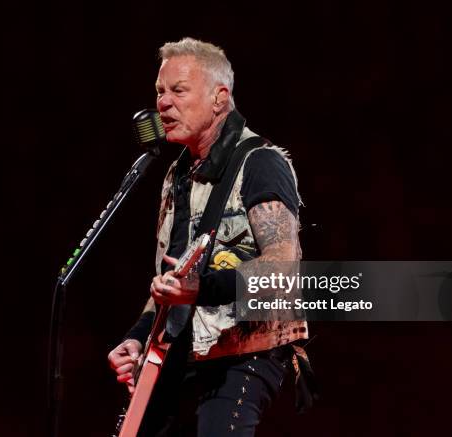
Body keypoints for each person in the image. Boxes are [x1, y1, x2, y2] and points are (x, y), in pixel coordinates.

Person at [108, 37, 315, 436]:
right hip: (181, 352)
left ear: (220, 98)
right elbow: (171, 283)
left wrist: (199, 288)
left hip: (244, 353)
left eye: (178, 91)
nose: (163, 103)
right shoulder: (176, 176)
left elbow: (282, 270)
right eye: (159, 92)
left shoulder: (261, 163)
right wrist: (136, 338)